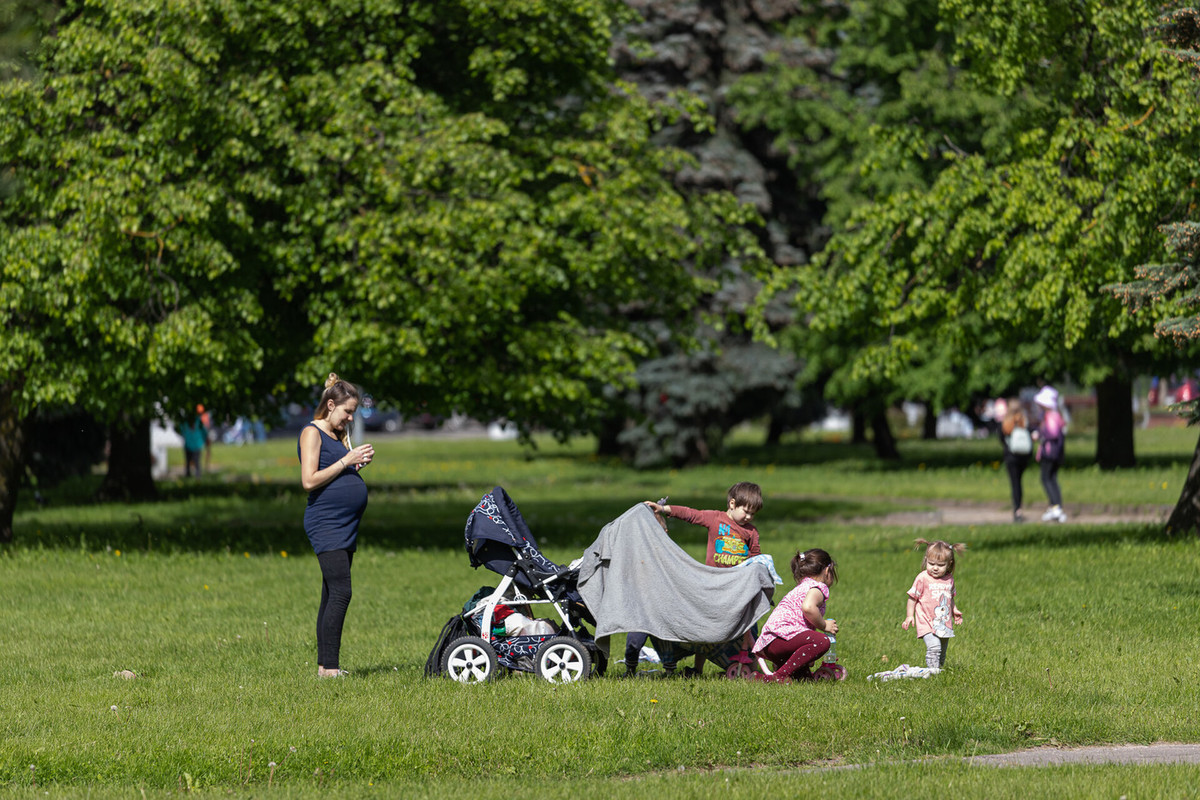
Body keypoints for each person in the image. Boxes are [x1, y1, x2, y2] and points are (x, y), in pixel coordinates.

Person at [298, 373, 375, 678]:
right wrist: (346, 462)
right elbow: (308, 480)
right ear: (330, 405)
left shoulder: (335, 436)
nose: (350, 418)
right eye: (347, 412)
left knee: (331, 593)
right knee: (342, 591)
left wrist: (353, 464)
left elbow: (332, 470)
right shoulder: (311, 433)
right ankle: (330, 668)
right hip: (326, 523)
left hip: (344, 524)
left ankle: (324, 665)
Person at [643, 482, 763, 676]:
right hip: (713, 585)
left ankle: (752, 666)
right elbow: (692, 514)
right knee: (707, 629)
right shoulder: (716, 519)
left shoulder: (751, 531)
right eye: (746, 511)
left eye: (753, 514)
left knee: (749, 625)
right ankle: (697, 669)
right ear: (732, 503)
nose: (749, 517)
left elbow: (756, 557)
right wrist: (663, 508)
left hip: (737, 587)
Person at [749, 548, 839, 684]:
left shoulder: (803, 586)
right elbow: (808, 608)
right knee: (822, 641)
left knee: (804, 680)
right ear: (827, 571)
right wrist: (824, 625)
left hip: (771, 642)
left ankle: (761, 678)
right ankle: (780, 675)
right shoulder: (817, 588)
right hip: (782, 639)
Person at [902, 538, 965, 671]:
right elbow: (912, 598)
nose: (935, 568)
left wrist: (955, 610)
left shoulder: (949, 579)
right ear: (926, 560)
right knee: (934, 648)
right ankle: (932, 672)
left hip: (944, 623)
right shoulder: (923, 578)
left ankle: (939, 673)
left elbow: (950, 598)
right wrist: (909, 616)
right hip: (926, 621)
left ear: (949, 564)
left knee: (942, 651)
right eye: (931, 564)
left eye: (940, 565)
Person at [1033, 385, 1067, 522]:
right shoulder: (1054, 415)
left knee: (1046, 478)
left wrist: (1040, 435)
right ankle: (1055, 506)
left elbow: (1052, 433)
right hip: (1055, 453)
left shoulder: (1051, 416)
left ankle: (1055, 506)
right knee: (1051, 478)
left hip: (1050, 452)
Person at [999, 398, 1033, 522]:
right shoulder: (1023, 420)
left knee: (1015, 483)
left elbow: (1001, 438)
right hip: (1023, 456)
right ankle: (1019, 508)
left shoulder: (1006, 422)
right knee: (1019, 482)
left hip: (1011, 456)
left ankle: (1017, 509)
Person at [179, 405, 209, 478]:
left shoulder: (198, 422)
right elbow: (181, 430)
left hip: (197, 445)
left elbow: (204, 433)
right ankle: (188, 476)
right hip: (188, 445)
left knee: (196, 462)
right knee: (188, 462)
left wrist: (206, 441)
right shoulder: (185, 422)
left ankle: (198, 476)